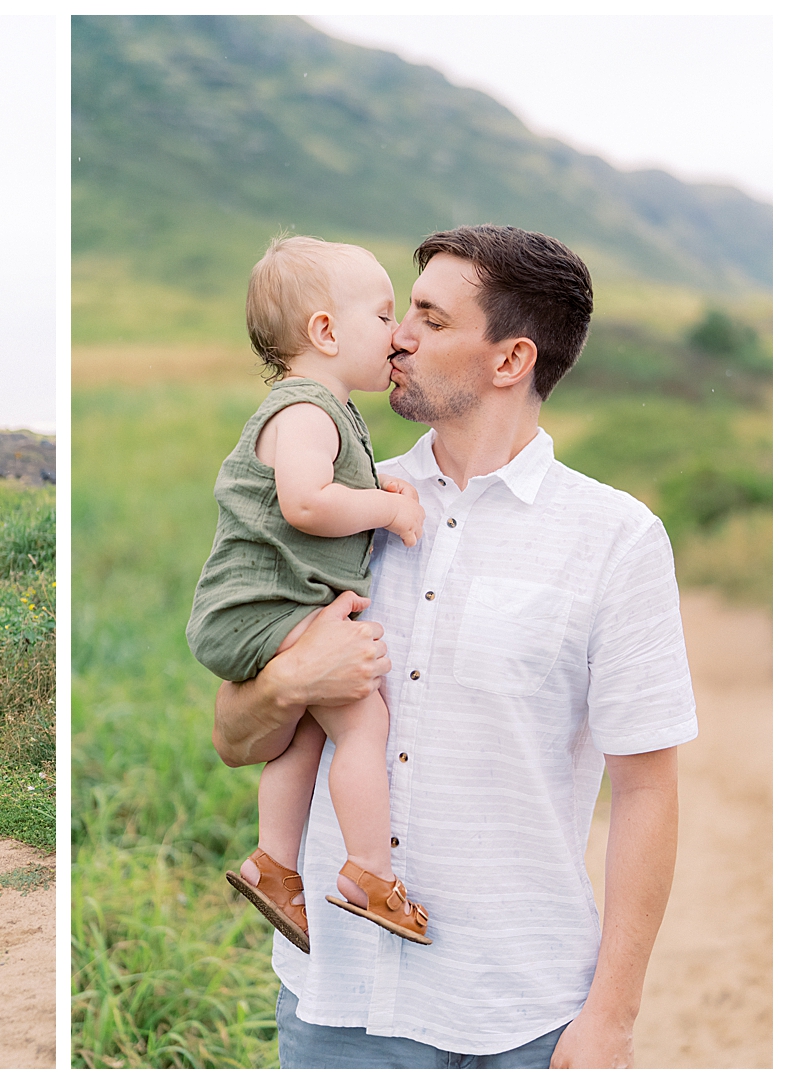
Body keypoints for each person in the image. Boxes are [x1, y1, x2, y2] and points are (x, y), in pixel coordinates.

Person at [212, 225, 696, 1069]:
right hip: (332, 1004)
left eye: (431, 321)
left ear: (510, 361)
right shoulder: (346, 501)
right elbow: (232, 736)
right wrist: (291, 679)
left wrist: (612, 1015)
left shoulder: (616, 539)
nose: (398, 334)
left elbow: (648, 790)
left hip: (516, 1013)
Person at [186, 236, 427, 953]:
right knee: (363, 723)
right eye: (384, 317)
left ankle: (273, 864)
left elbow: (326, 487)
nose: (399, 335)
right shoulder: (304, 410)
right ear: (325, 332)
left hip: (271, 606)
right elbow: (306, 504)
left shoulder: (329, 414)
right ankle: (369, 872)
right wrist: (387, 509)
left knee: (310, 731)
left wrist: (374, 485)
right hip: (262, 607)